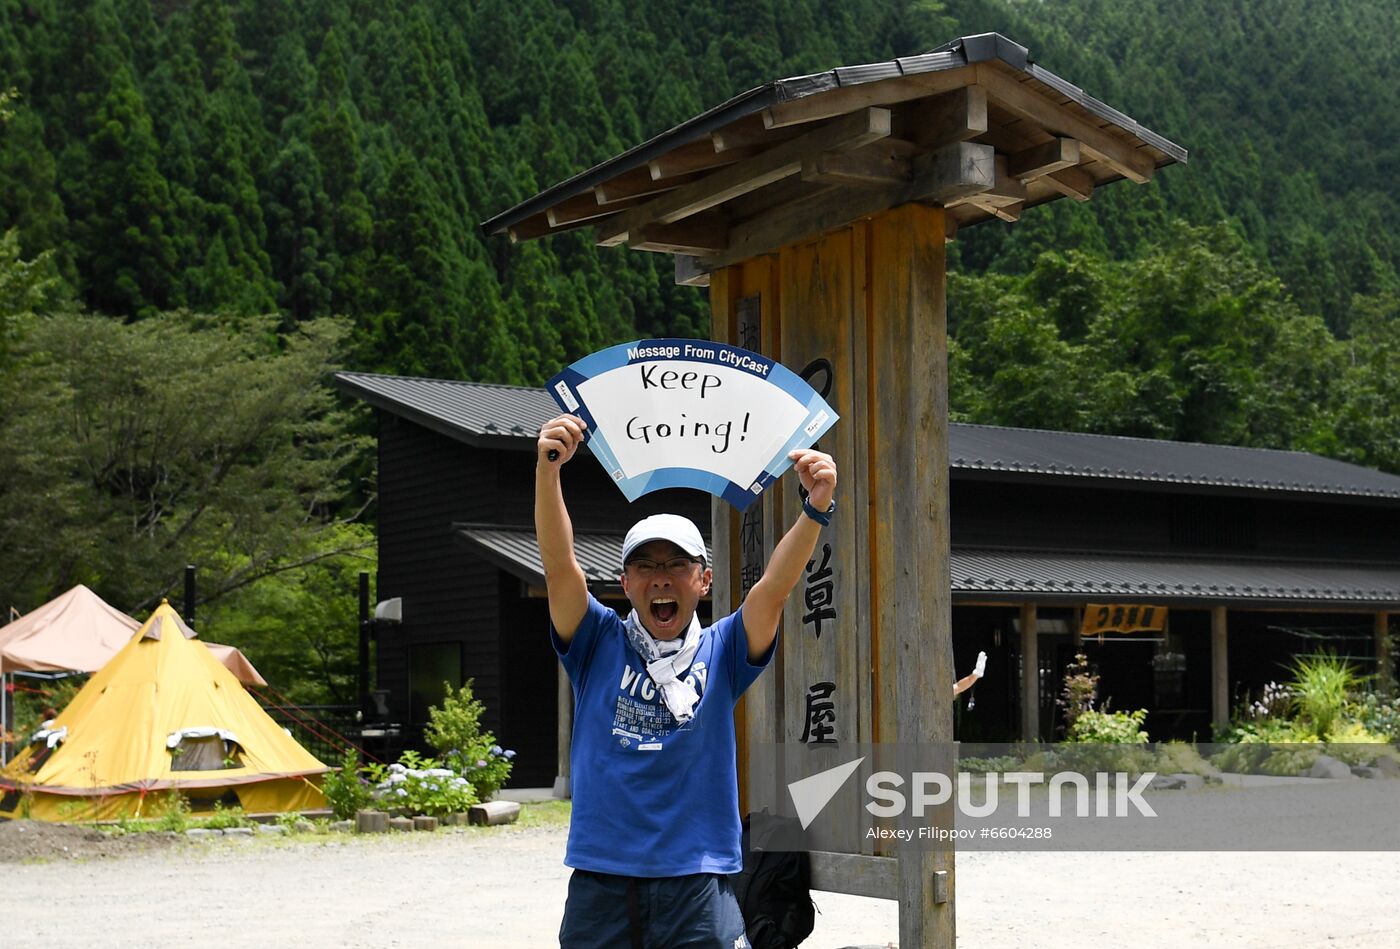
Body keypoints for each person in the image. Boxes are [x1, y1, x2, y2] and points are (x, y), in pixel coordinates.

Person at [536, 413, 837, 949]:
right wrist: (548, 470)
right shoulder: (596, 641)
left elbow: (774, 589)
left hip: (698, 881)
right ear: (625, 581)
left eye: (677, 564)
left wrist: (815, 508)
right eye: (645, 566)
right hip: (602, 878)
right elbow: (560, 567)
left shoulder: (723, 650)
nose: (661, 578)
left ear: (704, 580)